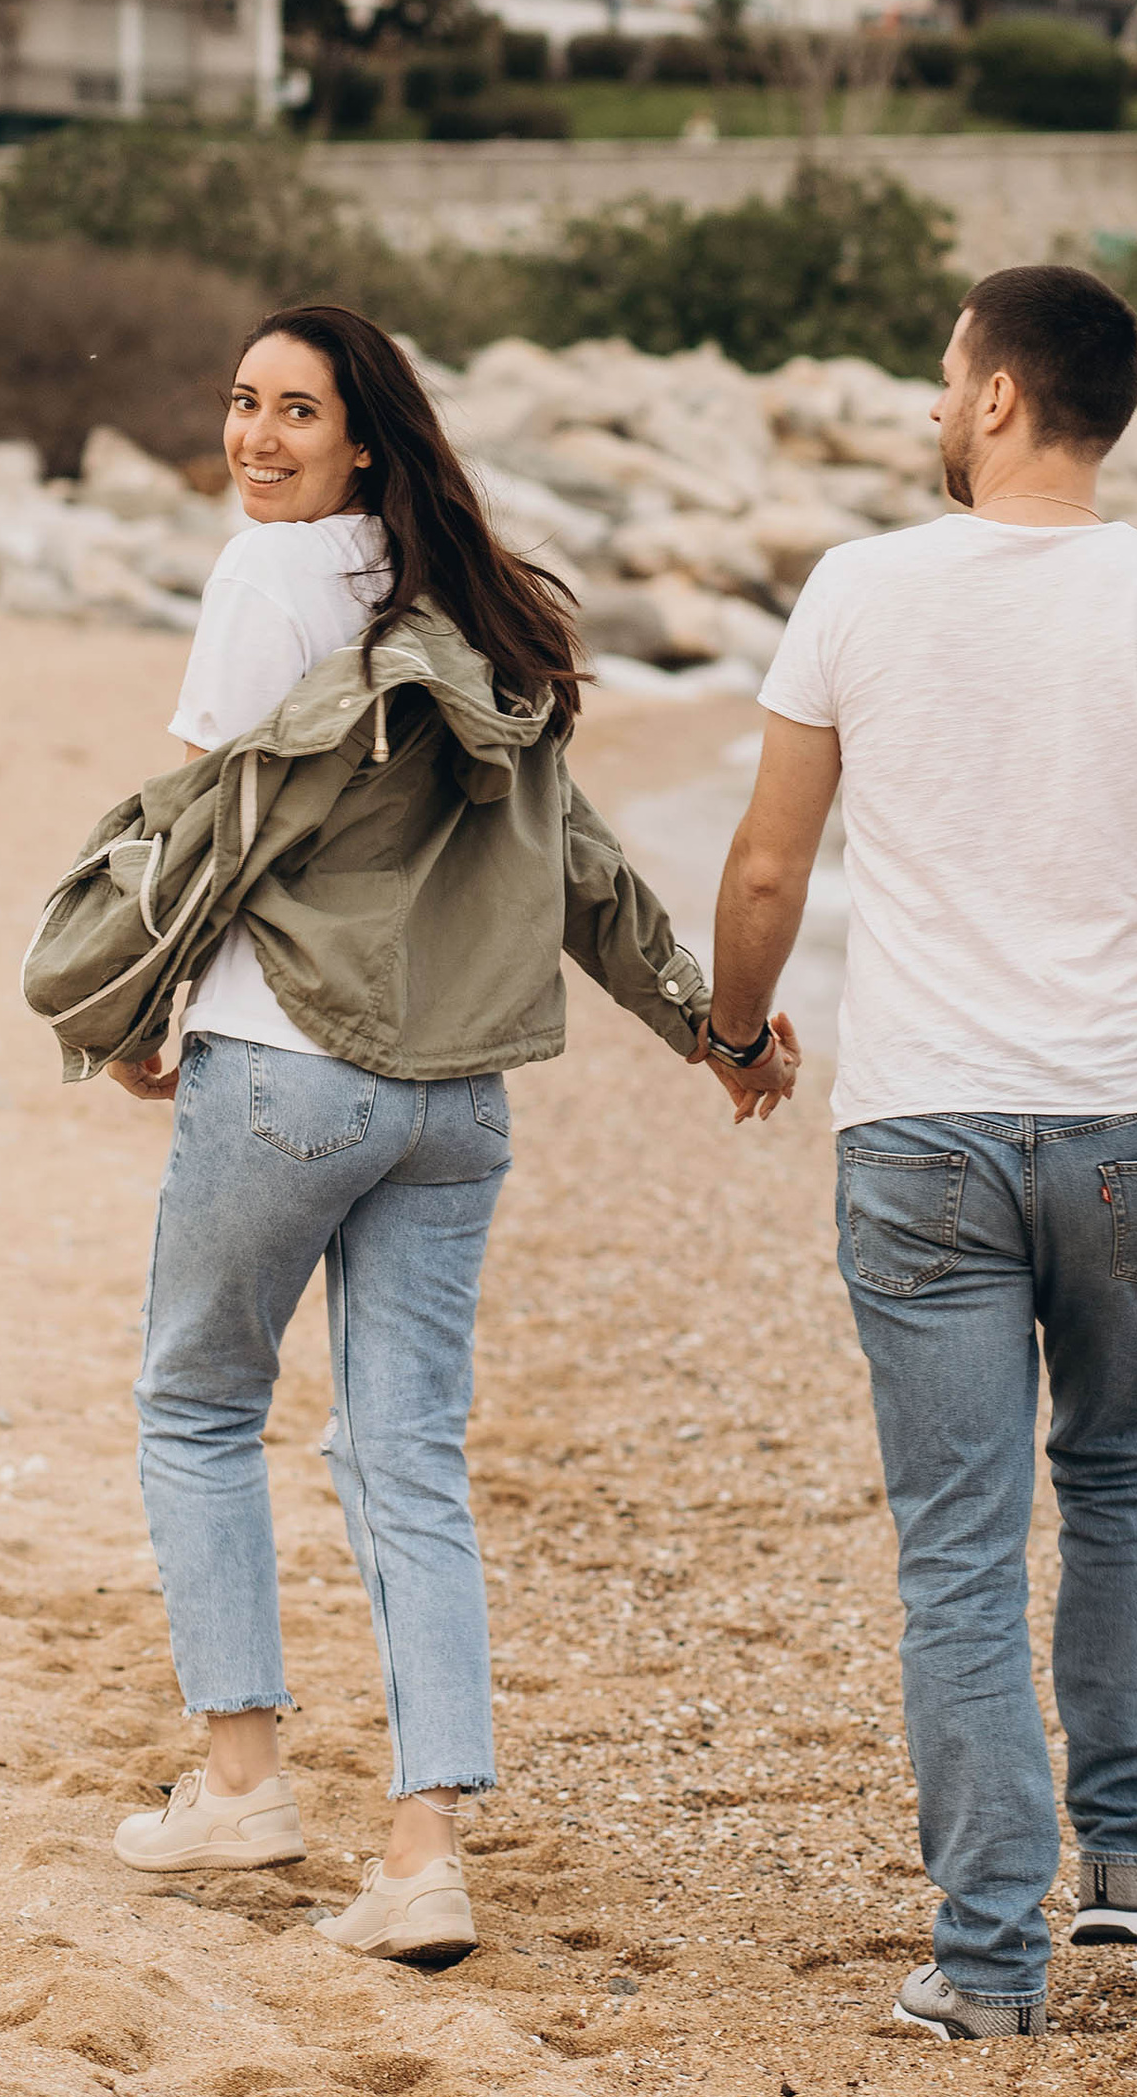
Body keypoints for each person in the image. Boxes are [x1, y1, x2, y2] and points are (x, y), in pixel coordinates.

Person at [707, 261, 1137, 2040]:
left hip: (922, 1122)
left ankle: (990, 1959)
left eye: (947, 375)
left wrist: (734, 1026)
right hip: (1127, 1125)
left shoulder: (856, 588)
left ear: (1001, 396)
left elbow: (771, 865)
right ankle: (1135, 1863)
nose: (935, 404)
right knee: (1128, 1470)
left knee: (958, 1542)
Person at [97, 303, 799, 1965]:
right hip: (455, 1104)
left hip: (285, 1071)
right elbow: (583, 866)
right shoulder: (487, 607)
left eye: (295, 411)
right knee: (407, 1454)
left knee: (197, 1403)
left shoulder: (264, 581)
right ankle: (421, 1854)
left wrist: (141, 1007)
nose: (255, 436)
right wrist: (714, 1027)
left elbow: (191, 836)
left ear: (363, 437)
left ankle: (244, 1782)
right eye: (242, 401)